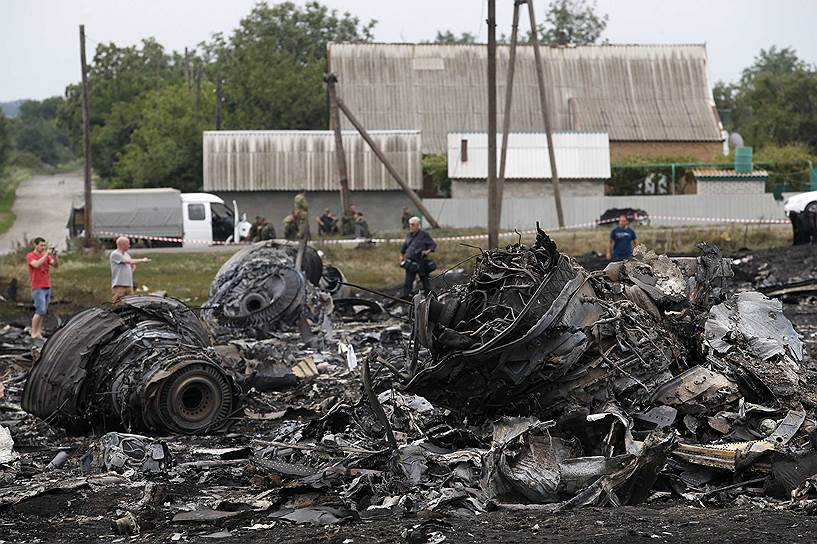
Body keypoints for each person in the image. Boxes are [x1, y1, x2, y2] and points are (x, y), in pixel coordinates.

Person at [26, 237, 59, 339]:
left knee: (43, 312)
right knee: (40, 310)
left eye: (44, 245)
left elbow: (55, 265)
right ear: (35, 245)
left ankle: (38, 332)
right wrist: (46, 254)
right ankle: (33, 332)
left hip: (47, 286)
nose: (43, 247)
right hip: (37, 286)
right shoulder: (30, 256)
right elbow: (36, 264)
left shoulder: (46, 256)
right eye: (41, 245)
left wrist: (54, 255)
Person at [400, 217, 437, 298]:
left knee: (425, 282)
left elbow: (433, 245)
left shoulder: (424, 235)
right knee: (408, 283)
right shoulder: (409, 235)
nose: (411, 226)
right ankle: (407, 299)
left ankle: (430, 298)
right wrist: (402, 257)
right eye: (410, 224)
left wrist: (427, 251)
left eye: (413, 224)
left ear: (418, 225)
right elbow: (403, 248)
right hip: (411, 263)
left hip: (421, 262)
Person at [110, 236, 151, 304]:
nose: (129, 246)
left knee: (131, 304)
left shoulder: (126, 254)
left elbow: (131, 264)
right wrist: (142, 260)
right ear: (122, 245)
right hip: (119, 285)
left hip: (129, 284)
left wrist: (132, 267)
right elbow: (129, 261)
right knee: (118, 304)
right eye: (127, 244)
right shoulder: (115, 254)